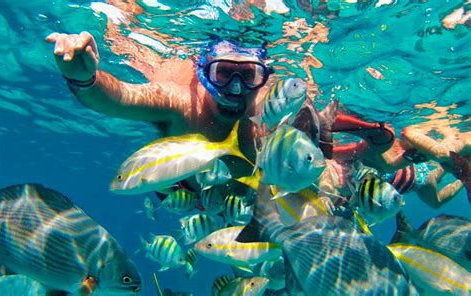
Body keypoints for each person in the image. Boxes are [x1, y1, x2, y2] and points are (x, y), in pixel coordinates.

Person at [45, 31, 388, 196]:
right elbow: (119, 98)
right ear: (202, 71)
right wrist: (85, 78)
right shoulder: (179, 103)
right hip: (197, 200)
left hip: (259, 196)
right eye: (223, 73)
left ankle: (351, 144)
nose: (236, 89)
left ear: (262, 78)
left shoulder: (269, 111)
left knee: (331, 172)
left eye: (248, 76)